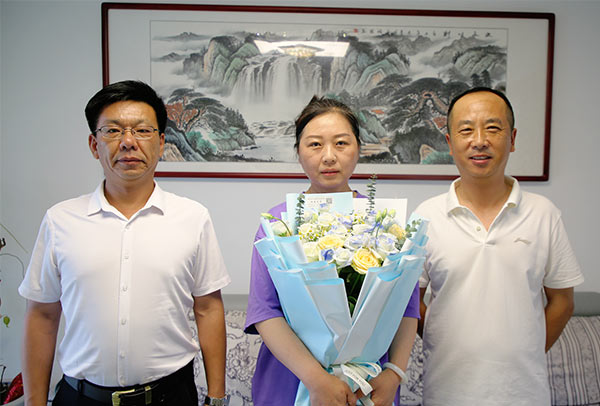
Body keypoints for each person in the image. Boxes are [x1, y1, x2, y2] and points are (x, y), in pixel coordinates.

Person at [19, 80, 231, 406]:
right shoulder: (60, 220)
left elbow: (208, 308)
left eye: (142, 131)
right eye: (113, 131)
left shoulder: (193, 217)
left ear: (161, 143)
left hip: (170, 396)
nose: (128, 142)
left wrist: (217, 398)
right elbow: (42, 316)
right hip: (81, 398)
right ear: (94, 145)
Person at [244, 96, 420, 406]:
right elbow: (265, 311)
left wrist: (394, 373)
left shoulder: (385, 222)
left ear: (358, 149)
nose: (328, 156)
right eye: (315, 145)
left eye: (341, 143)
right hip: (292, 380)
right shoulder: (277, 223)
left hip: (370, 380)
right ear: (299, 152)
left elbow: (405, 307)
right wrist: (317, 380)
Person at [415, 87, 584, 405]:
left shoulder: (543, 214)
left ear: (513, 139)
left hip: (525, 394)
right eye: (466, 130)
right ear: (450, 143)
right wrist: (441, 338)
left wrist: (526, 350)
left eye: (493, 128)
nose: (479, 140)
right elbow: (411, 300)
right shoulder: (426, 216)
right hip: (446, 392)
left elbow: (562, 301)